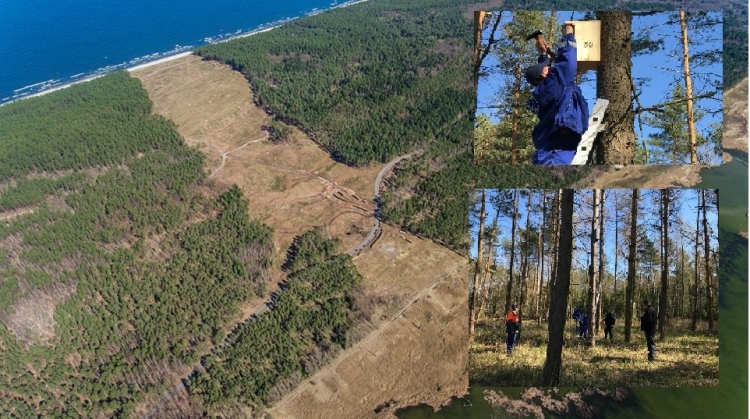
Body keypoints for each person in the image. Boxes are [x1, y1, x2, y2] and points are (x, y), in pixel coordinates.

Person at [525, 23, 589, 165]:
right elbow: (568, 62)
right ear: (544, 73)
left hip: (553, 143)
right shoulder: (554, 82)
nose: (551, 67)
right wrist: (568, 35)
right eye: (548, 66)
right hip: (557, 147)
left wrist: (543, 53)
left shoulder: (547, 88)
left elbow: (554, 73)